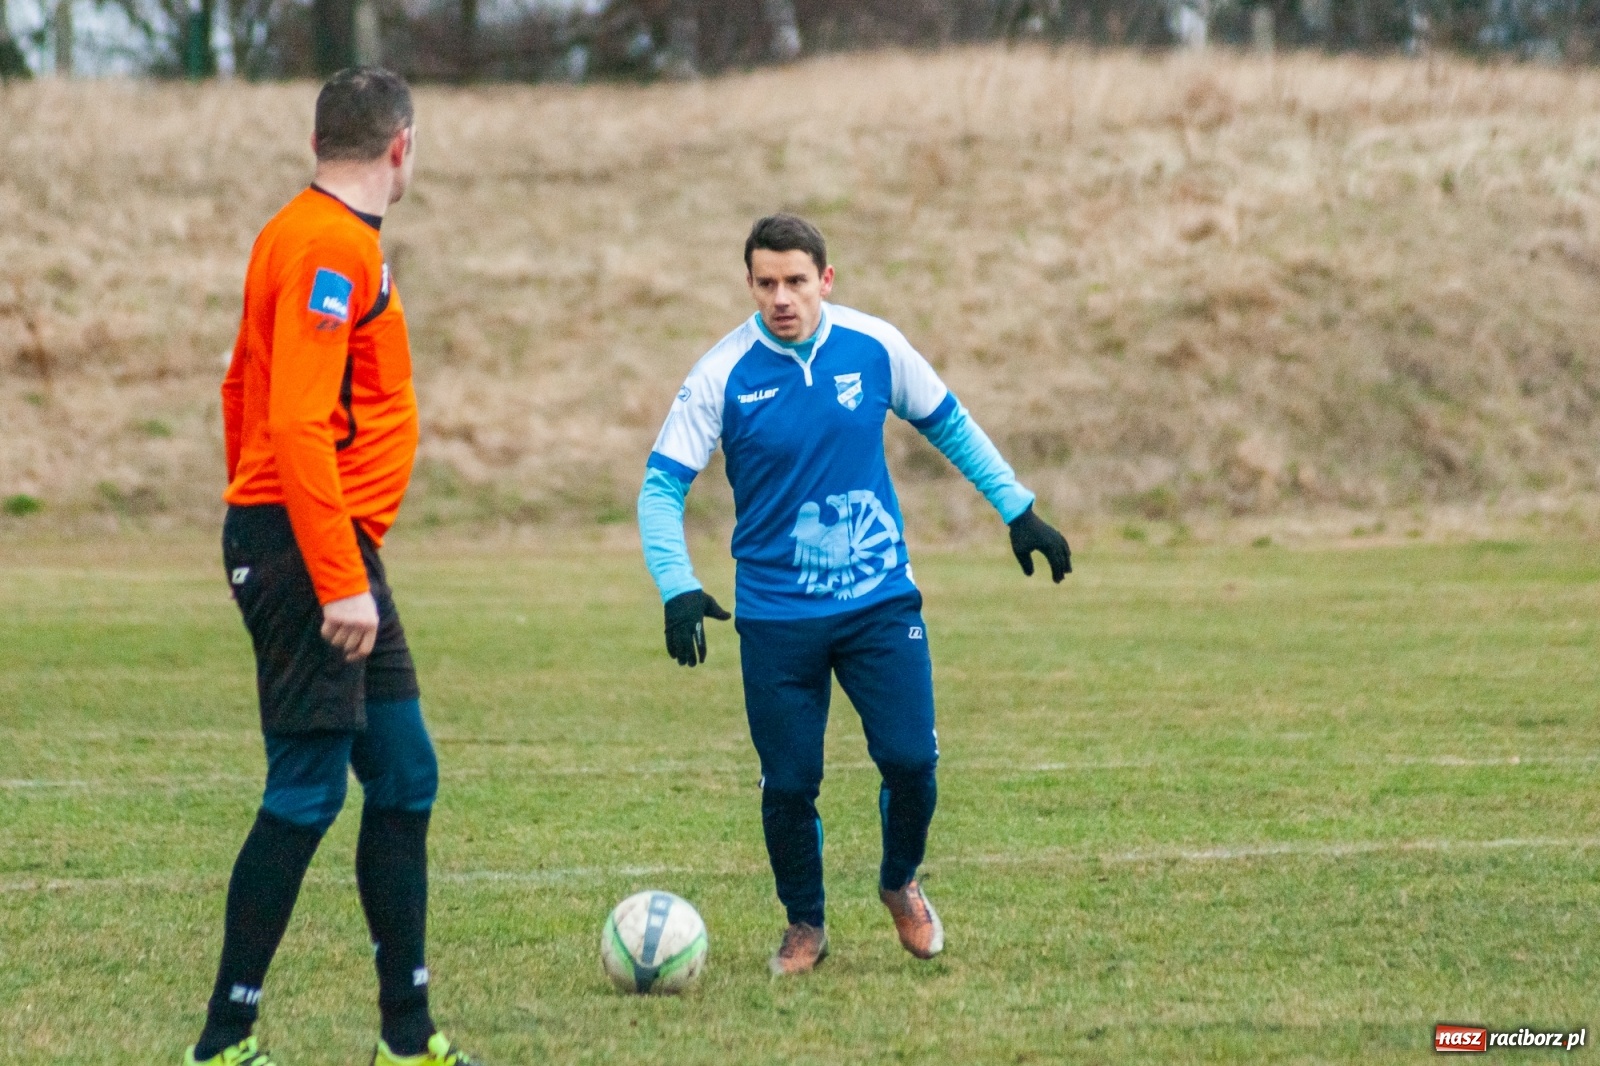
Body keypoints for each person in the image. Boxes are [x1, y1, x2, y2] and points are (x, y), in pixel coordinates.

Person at [637, 213, 1071, 975]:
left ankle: (900, 881)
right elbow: (660, 486)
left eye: (796, 281)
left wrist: (1019, 508)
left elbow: (951, 424)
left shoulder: (874, 346)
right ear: (749, 284)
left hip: (879, 605)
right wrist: (677, 585)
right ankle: (805, 924)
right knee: (790, 782)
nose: (782, 297)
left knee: (911, 761)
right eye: (766, 282)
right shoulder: (722, 373)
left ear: (825, 281)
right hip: (776, 618)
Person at [189, 68, 477, 1066]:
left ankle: (408, 1032)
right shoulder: (323, 245)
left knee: (403, 775)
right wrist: (316, 563)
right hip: (315, 551)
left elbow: (239, 387)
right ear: (401, 145)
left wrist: (277, 523)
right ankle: (224, 1037)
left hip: (322, 540)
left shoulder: (305, 233)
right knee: (309, 787)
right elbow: (294, 420)